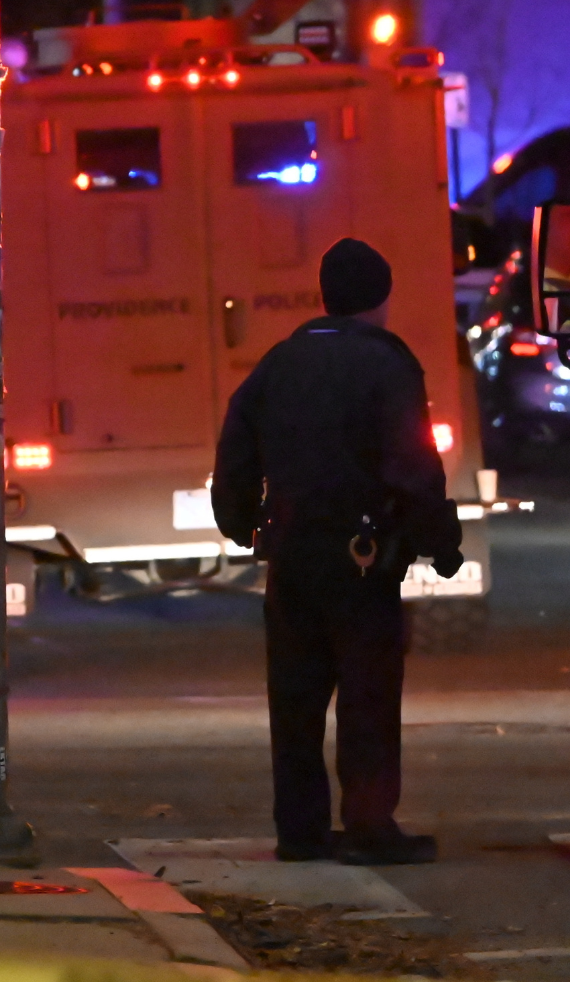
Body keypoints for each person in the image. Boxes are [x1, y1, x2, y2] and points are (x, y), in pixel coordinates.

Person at [212, 238, 465, 866]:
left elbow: (237, 442)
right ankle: (370, 826)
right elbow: (412, 463)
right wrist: (441, 542)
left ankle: (299, 830)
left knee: (295, 698)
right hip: (362, 557)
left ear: (325, 296)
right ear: (381, 297)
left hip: (292, 554)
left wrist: (239, 521)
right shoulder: (389, 365)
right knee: (368, 696)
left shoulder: (280, 362)